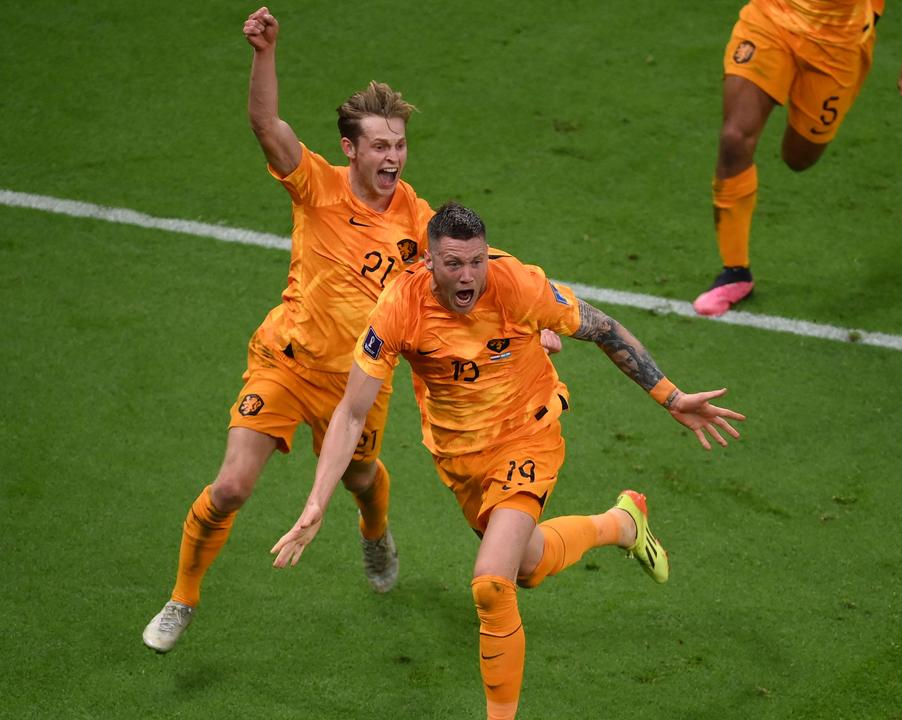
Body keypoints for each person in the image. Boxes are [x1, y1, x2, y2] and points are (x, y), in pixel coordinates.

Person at [270, 202, 746, 719]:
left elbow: (604, 328)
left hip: (528, 435)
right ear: (428, 262)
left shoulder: (517, 284)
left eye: (476, 261)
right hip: (459, 457)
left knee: (491, 584)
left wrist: (672, 398)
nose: (468, 275)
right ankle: (621, 523)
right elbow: (352, 412)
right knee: (527, 566)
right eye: (453, 264)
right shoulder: (399, 307)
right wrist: (317, 502)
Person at [141, 6, 436, 653]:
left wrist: (535, 323)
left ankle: (375, 533)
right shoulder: (317, 187)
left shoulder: (419, 219)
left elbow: (467, 272)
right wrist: (264, 52)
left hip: (359, 382)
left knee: (361, 480)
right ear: (351, 148)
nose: (393, 157)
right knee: (231, 486)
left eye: (400, 144)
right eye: (381, 145)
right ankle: (182, 597)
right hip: (286, 359)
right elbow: (265, 125)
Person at [694, 0, 902, 317]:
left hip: (839, 43)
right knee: (733, 140)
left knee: (799, 157)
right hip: (770, 19)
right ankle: (735, 271)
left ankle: (795, 89)